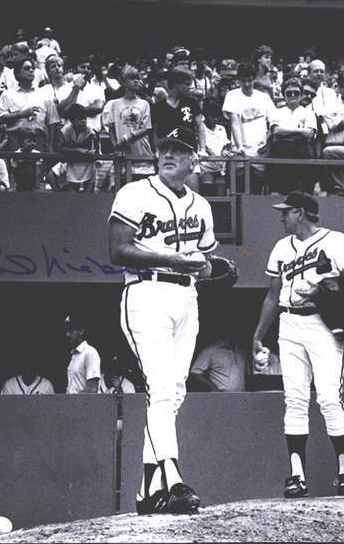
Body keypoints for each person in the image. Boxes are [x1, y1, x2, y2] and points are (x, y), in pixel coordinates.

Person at [108, 125, 219, 515]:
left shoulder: (201, 206)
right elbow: (118, 250)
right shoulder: (134, 193)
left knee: (174, 391)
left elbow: (204, 265)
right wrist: (173, 259)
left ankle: (145, 491)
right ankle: (172, 479)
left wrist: (216, 268)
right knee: (160, 387)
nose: (169, 153)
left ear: (194, 159)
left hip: (186, 296)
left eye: (180, 148)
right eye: (165, 147)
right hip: (145, 292)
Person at [252, 191, 344, 499]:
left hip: (324, 324)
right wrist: (258, 334)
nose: (282, 216)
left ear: (301, 213)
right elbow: (272, 295)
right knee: (294, 399)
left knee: (329, 398)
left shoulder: (335, 241)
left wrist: (325, 288)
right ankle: (296, 475)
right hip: (290, 324)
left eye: (287, 211)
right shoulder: (281, 247)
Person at [222, 62, 276, 194]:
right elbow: (234, 122)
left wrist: (267, 140)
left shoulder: (263, 97)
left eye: (249, 80)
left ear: (254, 79)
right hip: (241, 152)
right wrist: (240, 146)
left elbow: (274, 123)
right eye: (243, 81)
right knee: (239, 189)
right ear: (238, 80)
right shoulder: (232, 95)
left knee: (257, 189)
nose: (246, 84)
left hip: (260, 152)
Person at [103, 65, 155, 186]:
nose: (136, 81)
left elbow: (146, 128)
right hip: (123, 154)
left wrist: (127, 139)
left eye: (138, 78)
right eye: (132, 78)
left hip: (141, 152)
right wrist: (115, 145)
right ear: (123, 82)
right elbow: (111, 127)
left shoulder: (144, 103)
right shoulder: (115, 104)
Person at [267, 78, 318, 195]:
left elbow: (310, 134)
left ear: (301, 94)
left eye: (296, 92)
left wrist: (287, 132)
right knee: (276, 194)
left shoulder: (309, 113)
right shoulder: (276, 112)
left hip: (302, 156)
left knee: (300, 195)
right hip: (280, 157)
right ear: (284, 95)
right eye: (289, 93)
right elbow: (276, 131)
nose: (293, 95)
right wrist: (300, 131)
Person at [63, 315, 101, 394]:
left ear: (81, 331)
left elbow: (92, 389)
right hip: (71, 404)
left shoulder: (90, 352)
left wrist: (77, 403)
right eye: (66, 331)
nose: (67, 334)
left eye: (71, 331)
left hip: (83, 405)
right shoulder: (74, 354)